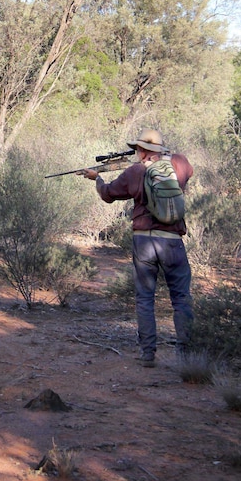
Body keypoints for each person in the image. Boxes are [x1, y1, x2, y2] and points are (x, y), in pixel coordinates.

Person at [82, 129, 194, 368]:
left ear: (143, 150)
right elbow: (185, 172)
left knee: (145, 299)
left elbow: (108, 194)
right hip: (173, 241)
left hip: (144, 241)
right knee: (181, 298)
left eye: (138, 149)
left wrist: (97, 178)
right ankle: (186, 355)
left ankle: (147, 354)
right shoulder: (180, 163)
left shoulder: (135, 172)